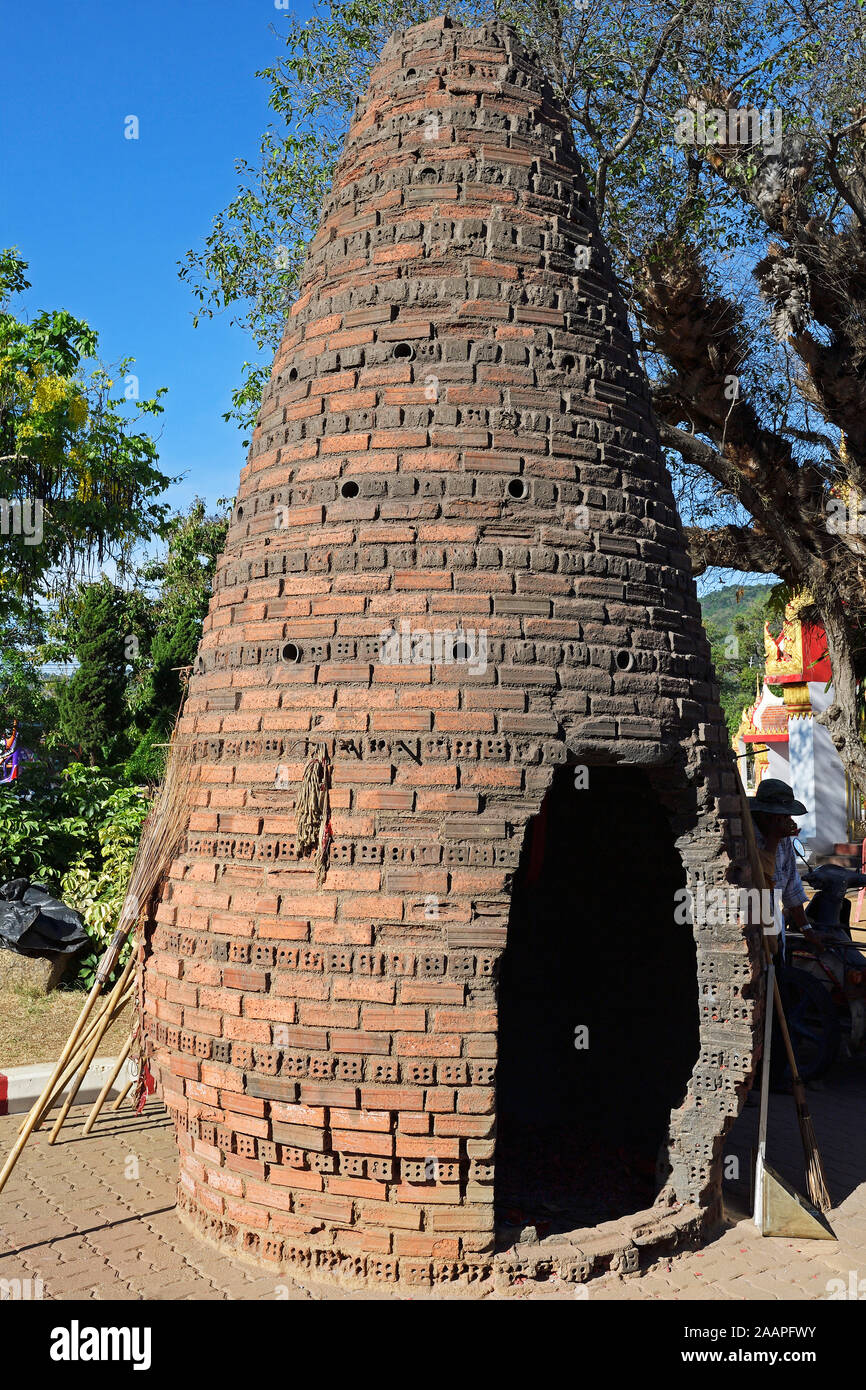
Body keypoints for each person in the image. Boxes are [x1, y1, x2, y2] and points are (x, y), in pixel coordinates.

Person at [747, 778, 827, 955]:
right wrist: (774, 838)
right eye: (781, 816)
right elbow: (761, 881)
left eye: (786, 815)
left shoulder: (783, 840)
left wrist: (807, 930)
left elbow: (791, 888)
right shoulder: (746, 837)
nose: (786, 820)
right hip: (751, 925)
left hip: (775, 925)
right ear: (763, 815)